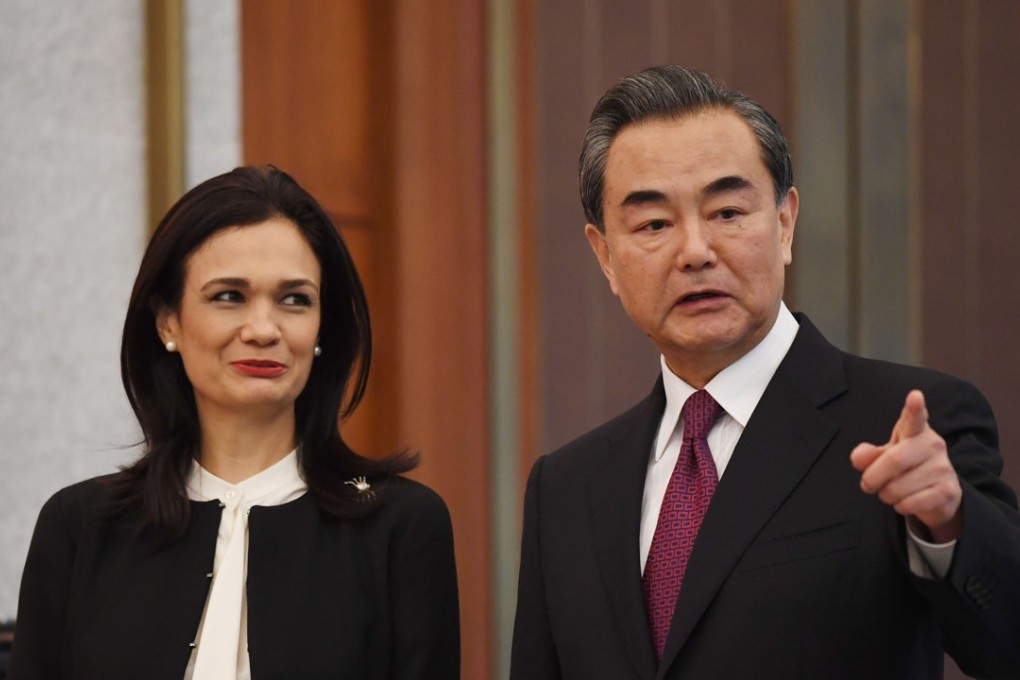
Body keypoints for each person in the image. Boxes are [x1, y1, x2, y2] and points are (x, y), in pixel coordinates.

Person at [510, 65, 1020, 679]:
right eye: (653, 225)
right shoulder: (566, 489)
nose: (696, 250)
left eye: (727, 212)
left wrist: (949, 525)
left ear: (785, 222)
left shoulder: (902, 428)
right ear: (605, 256)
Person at [9, 166, 460, 679]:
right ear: (167, 322)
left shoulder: (399, 527)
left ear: (320, 328)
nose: (264, 329)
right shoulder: (80, 525)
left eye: (295, 299)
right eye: (229, 296)